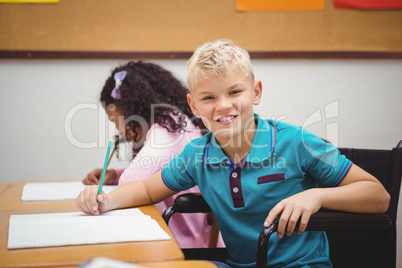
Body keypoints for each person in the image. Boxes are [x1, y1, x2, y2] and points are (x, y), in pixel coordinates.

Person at [76, 40, 390, 267]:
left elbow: (378, 196)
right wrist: (104, 199)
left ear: (256, 92)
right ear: (194, 106)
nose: (224, 105)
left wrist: (315, 197)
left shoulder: (296, 142)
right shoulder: (196, 154)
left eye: (235, 92)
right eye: (209, 97)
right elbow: (147, 187)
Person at [82, 61, 214, 249]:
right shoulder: (175, 120)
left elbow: (132, 184)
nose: (119, 131)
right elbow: (158, 171)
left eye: (114, 120)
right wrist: (115, 175)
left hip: (184, 245)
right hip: (186, 236)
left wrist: (121, 179)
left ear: (131, 110)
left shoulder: (167, 132)